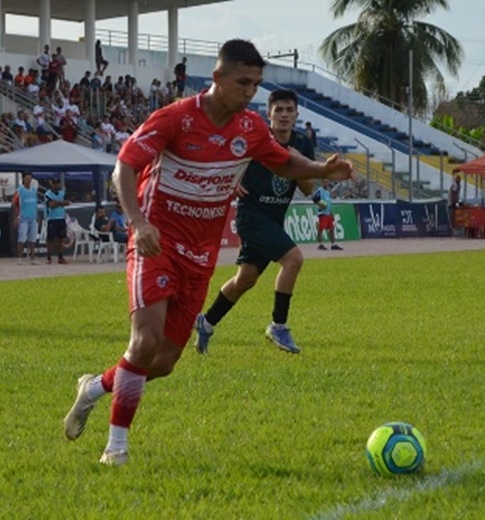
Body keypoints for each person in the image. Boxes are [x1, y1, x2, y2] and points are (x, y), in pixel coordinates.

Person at [62, 39, 353, 466]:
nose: (250, 92)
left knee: (163, 362)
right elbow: (124, 165)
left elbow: (283, 163)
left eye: (255, 85)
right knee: (144, 342)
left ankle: (93, 388)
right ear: (217, 77)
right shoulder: (175, 118)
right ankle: (116, 449)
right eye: (242, 83)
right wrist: (138, 223)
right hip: (156, 241)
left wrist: (321, 170)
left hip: (200, 255)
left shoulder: (250, 128)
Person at [195, 89, 317, 356]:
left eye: (289, 110)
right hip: (250, 215)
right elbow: (219, 157)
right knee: (293, 259)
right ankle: (278, 326)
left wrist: (299, 164)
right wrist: (231, 180)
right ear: (269, 114)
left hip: (274, 217)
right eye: (278, 110)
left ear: (297, 114)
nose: (284, 115)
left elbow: (307, 187)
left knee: (245, 279)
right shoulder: (254, 138)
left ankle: (207, 322)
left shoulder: (302, 143)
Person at [13, 172, 40, 264]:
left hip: (33, 218)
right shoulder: (19, 191)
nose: (29, 180)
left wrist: (37, 216)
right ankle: (20, 258)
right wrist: (16, 217)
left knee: (32, 239)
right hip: (23, 218)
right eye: (27, 178)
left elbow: (35, 205)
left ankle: (32, 258)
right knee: (21, 239)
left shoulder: (33, 190)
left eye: (30, 178)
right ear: (23, 179)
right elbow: (14, 205)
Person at [44, 178, 70, 264]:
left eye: (57, 183)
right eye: (54, 183)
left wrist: (58, 203)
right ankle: (49, 256)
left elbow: (68, 202)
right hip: (52, 218)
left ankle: (60, 257)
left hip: (61, 218)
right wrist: (61, 203)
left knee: (61, 238)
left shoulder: (62, 193)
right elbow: (51, 205)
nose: (56, 185)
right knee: (50, 239)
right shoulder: (48, 194)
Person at [313, 179, 342, 250]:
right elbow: (314, 199)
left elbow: (328, 203)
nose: (326, 184)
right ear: (321, 183)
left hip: (328, 213)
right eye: (324, 182)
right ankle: (320, 244)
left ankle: (333, 244)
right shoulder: (320, 191)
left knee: (331, 228)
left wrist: (331, 212)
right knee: (321, 229)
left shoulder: (327, 192)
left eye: (327, 182)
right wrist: (321, 205)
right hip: (322, 213)